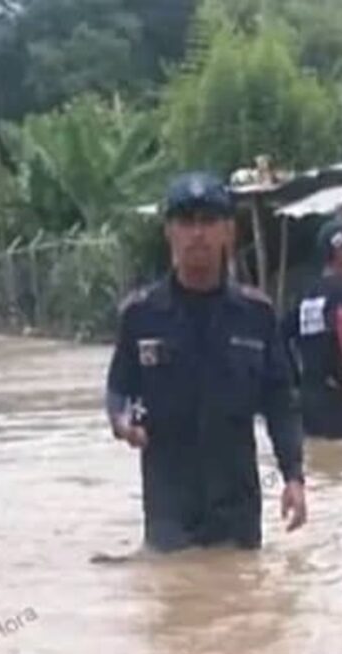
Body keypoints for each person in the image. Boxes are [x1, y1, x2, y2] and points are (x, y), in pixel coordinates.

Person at [105, 172, 307, 553]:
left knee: (241, 605)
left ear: (229, 231)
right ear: (169, 232)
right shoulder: (141, 314)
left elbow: (281, 402)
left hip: (237, 508)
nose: (197, 234)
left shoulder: (256, 314)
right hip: (169, 509)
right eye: (186, 222)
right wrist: (121, 422)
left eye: (209, 221)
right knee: (177, 600)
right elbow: (119, 388)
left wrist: (293, 477)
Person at [284, 216, 342, 440]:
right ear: (338, 251)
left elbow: (282, 335)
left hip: (308, 397)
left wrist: (296, 380)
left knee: (319, 461)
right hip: (336, 397)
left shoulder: (308, 292)